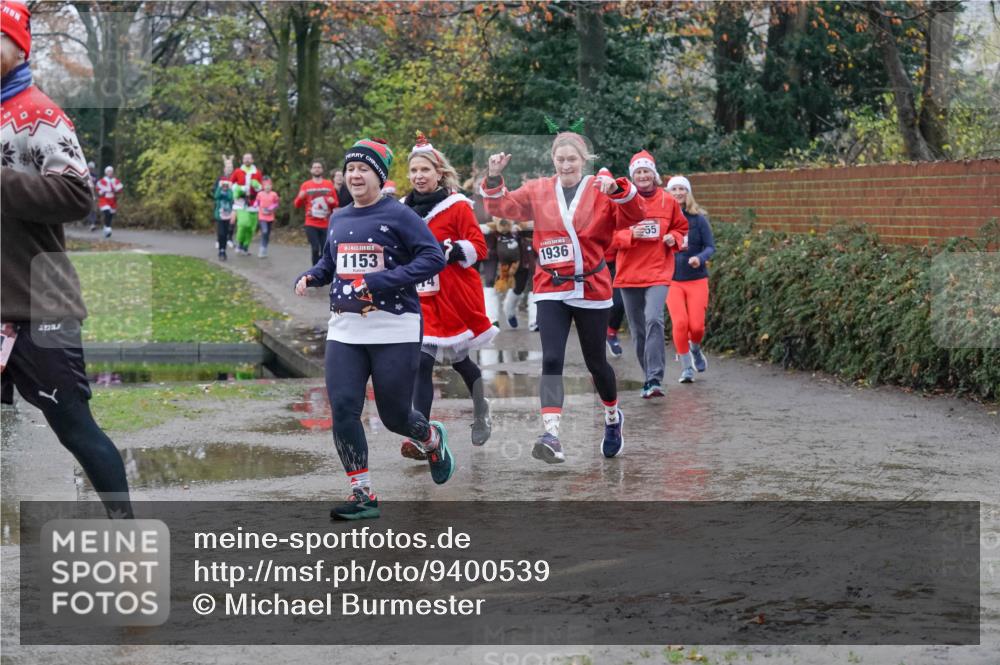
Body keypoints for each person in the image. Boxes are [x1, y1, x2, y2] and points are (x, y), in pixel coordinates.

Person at [0, 1, 133, 519]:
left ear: (18, 46)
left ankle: (126, 529)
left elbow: (78, 196)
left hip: (41, 305)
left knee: (74, 427)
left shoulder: (38, 113)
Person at [294, 138, 449, 520]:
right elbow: (331, 263)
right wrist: (312, 276)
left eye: (363, 169)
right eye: (350, 169)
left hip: (394, 327)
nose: (355, 175)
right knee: (344, 407)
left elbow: (433, 257)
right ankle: (362, 493)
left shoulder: (399, 215)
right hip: (346, 329)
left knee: (396, 416)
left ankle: (431, 439)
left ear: (379, 176)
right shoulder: (339, 217)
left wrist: (381, 281)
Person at [480, 130, 644, 463]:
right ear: (553, 160)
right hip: (550, 286)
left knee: (596, 363)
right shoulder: (539, 189)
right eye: (560, 158)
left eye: (572, 159)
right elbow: (504, 206)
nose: (566, 164)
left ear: (584, 161)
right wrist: (495, 177)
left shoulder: (601, 190)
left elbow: (636, 215)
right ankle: (551, 433)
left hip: (591, 286)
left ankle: (612, 418)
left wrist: (619, 191)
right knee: (552, 359)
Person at [401, 132, 497, 458]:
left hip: (452, 295)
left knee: (460, 362)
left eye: (424, 170)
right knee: (421, 364)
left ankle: (482, 407)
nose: (418, 176)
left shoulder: (457, 206)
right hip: (420, 297)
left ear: (439, 173)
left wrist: (453, 249)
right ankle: (420, 434)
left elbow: (479, 247)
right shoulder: (402, 209)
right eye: (413, 171)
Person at [612, 151, 688, 398]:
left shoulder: (669, 201)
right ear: (632, 177)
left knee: (654, 319)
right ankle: (648, 378)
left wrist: (673, 238)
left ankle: (655, 378)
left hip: (658, 270)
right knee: (638, 329)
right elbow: (606, 238)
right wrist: (631, 234)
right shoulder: (621, 203)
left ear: (654, 175)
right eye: (638, 172)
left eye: (646, 171)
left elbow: (681, 228)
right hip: (629, 272)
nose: (643, 176)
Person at [665, 176, 715, 383]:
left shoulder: (699, 219)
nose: (678, 192)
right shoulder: (663, 220)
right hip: (672, 280)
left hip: (696, 279)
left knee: (696, 327)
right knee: (680, 323)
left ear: (688, 192)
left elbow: (710, 246)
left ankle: (695, 348)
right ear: (668, 193)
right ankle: (686, 368)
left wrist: (699, 258)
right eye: (674, 189)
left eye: (682, 189)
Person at [596, 167, 627, 357]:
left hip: (616, 263)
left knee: (618, 303)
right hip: (593, 265)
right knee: (596, 306)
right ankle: (597, 337)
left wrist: (615, 239)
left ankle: (611, 333)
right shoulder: (587, 207)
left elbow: (624, 232)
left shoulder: (619, 205)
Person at [295, 160, 338, 266]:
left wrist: (333, 202)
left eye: (319, 167)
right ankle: (315, 271)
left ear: (322, 170)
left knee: (324, 249)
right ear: (311, 170)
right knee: (315, 248)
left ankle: (322, 269)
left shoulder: (328, 184)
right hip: (310, 223)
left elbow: (336, 203)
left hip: (325, 223)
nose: (317, 169)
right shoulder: (306, 185)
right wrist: (300, 198)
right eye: (314, 167)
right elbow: (297, 205)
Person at [230, 152, 263, 255]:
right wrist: (239, 189)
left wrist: (257, 185)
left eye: (249, 158)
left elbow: (261, 188)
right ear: (242, 160)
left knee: (251, 227)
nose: (247, 160)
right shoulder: (238, 171)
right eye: (245, 158)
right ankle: (239, 243)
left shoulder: (257, 172)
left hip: (253, 203)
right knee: (243, 224)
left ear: (252, 160)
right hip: (241, 201)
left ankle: (245, 246)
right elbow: (231, 183)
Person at [95, 165, 123, 238]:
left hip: (112, 200)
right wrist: (101, 192)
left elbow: (120, 188)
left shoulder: (115, 180)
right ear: (106, 173)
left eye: (111, 172)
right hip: (104, 199)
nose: (110, 173)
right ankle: (107, 228)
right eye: (108, 172)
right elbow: (98, 188)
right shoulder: (103, 181)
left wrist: (116, 190)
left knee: (110, 215)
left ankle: (106, 226)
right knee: (107, 212)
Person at [255, 176, 279, 258]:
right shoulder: (260, 194)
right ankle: (262, 249)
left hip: (270, 216)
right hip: (262, 216)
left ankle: (264, 248)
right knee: (264, 231)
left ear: (271, 186)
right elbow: (257, 202)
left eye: (269, 185)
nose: (267, 187)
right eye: (266, 185)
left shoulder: (274, 194)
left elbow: (276, 203)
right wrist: (255, 206)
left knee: (267, 233)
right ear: (263, 186)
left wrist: (271, 207)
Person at [213, 179, 234, 261]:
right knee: (221, 234)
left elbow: (230, 197)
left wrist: (229, 188)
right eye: (223, 186)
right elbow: (216, 196)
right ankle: (220, 250)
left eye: (226, 186)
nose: (225, 187)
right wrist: (219, 187)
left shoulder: (229, 192)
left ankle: (223, 250)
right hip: (220, 216)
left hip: (227, 216)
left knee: (225, 234)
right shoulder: (219, 192)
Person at [85, 160, 98, 231]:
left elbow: (97, 185)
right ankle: (90, 222)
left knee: (94, 209)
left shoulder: (95, 176)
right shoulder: (85, 175)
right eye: (90, 168)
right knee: (88, 208)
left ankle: (92, 223)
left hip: (94, 194)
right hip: (86, 193)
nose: (91, 169)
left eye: (92, 168)